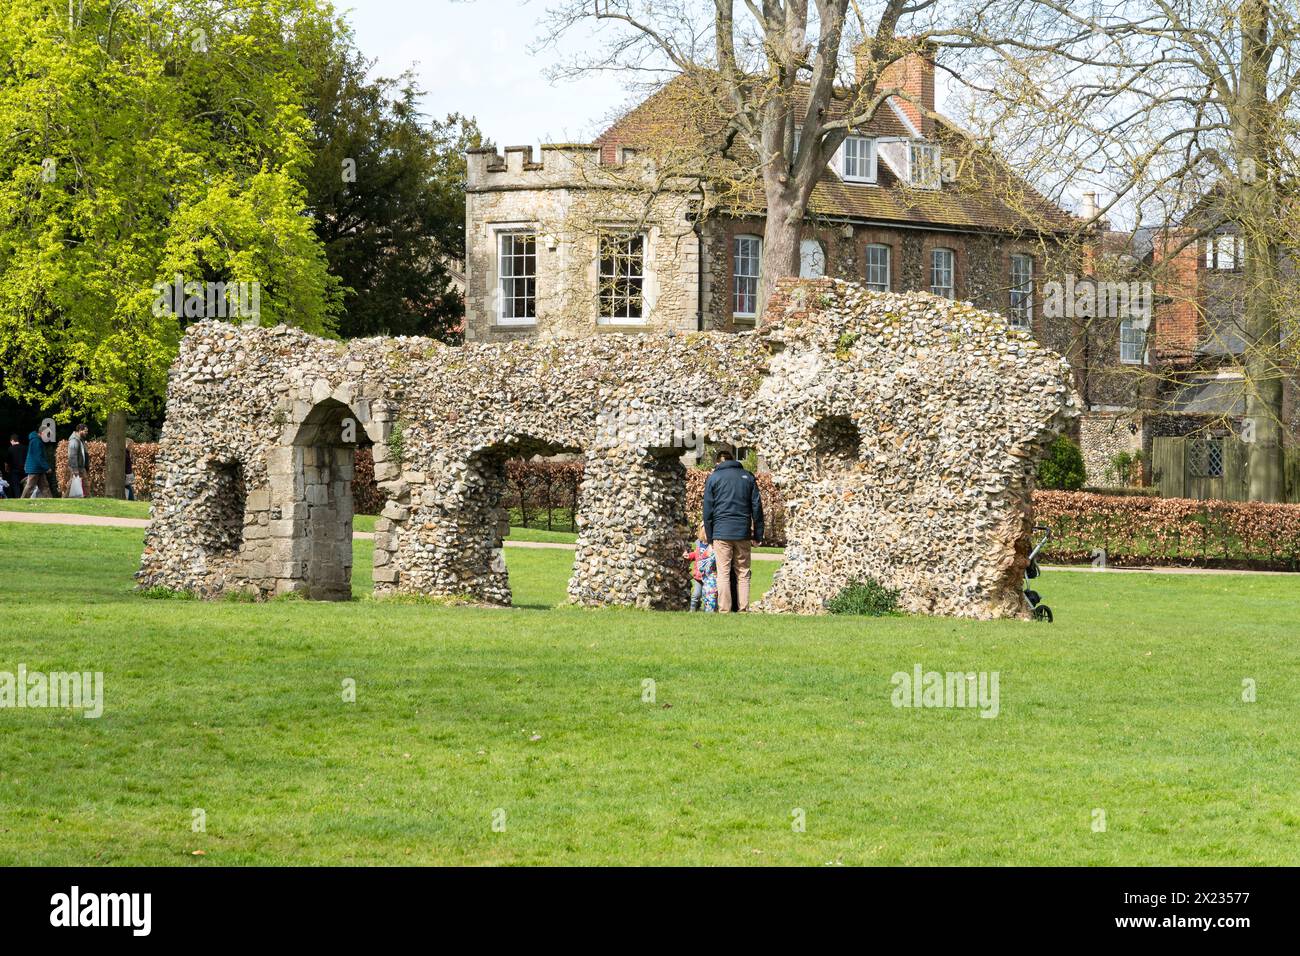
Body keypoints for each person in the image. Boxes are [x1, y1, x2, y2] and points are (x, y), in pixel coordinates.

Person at [702, 449, 764, 613]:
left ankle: (724, 609)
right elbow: (757, 507)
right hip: (742, 531)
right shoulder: (748, 477)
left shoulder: (714, 478)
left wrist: (710, 537)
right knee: (743, 572)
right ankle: (743, 609)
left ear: (718, 462)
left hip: (721, 532)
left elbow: (707, 510)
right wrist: (758, 534)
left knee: (723, 572)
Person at [682, 524, 717, 612]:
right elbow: (695, 555)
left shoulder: (712, 546)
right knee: (696, 595)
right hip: (698, 576)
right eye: (704, 533)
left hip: (708, 577)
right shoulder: (699, 544)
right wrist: (689, 555)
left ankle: (708, 609)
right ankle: (692, 609)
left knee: (708, 594)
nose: (706, 535)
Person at [20, 430, 50, 498]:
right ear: (42, 432)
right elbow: (38, 456)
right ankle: (22, 500)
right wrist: (46, 467)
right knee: (30, 486)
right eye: (46, 434)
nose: (47, 436)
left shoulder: (36, 440)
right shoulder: (36, 441)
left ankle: (50, 500)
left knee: (44, 486)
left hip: (38, 468)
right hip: (35, 468)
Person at [67, 423, 90, 497]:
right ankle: (65, 498)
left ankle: (88, 499)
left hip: (81, 467)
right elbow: (73, 455)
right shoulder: (74, 440)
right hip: (76, 467)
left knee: (85, 484)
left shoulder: (80, 440)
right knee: (72, 484)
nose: (87, 433)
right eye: (85, 431)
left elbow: (83, 454)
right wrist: (75, 469)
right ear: (80, 430)